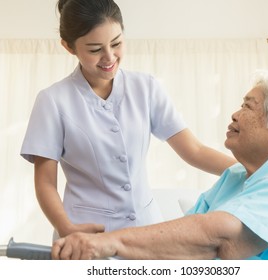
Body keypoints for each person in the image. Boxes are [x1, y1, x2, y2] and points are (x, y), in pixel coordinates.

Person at [51, 67, 268, 260]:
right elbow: (178, 248)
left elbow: (218, 239)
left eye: (248, 107)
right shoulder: (236, 178)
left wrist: (108, 243)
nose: (235, 115)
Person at [20, 0, 236, 240]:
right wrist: (65, 227)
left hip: (147, 232)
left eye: (116, 43)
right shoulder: (53, 100)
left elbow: (193, 150)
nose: (109, 57)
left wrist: (252, 171)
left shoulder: (146, 88)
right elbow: (45, 183)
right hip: (85, 235)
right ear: (69, 47)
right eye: (94, 49)